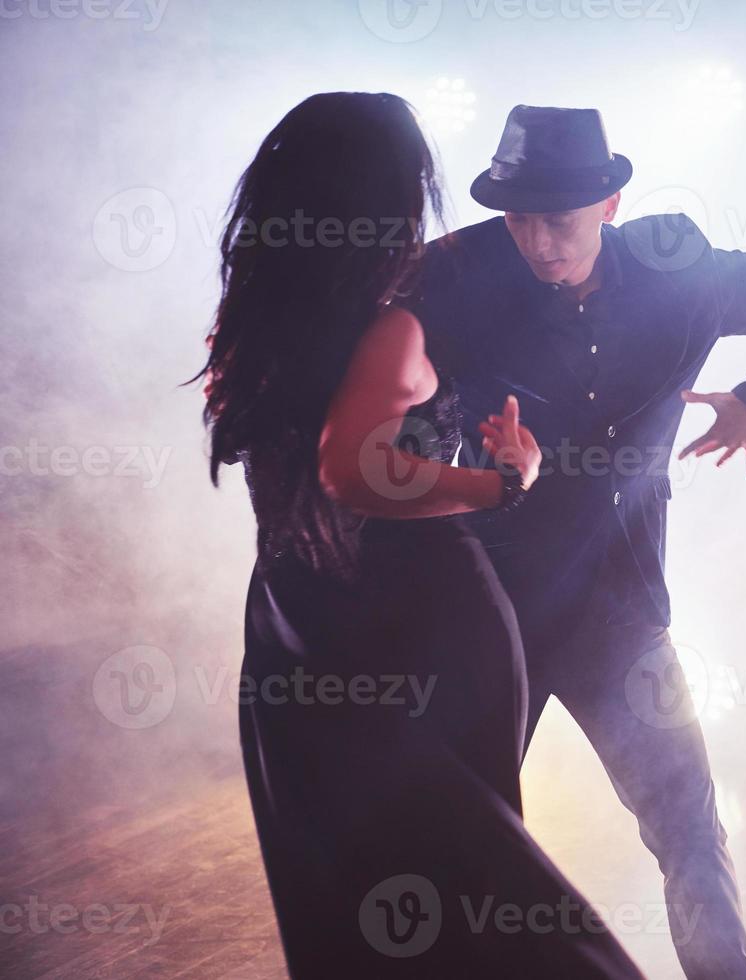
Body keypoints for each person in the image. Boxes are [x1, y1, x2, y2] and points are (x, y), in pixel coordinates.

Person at [197, 91, 643, 978]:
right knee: (488, 902)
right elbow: (350, 470)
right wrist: (502, 479)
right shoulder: (392, 323)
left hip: (295, 634)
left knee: (358, 894)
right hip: (421, 624)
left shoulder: (254, 328)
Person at [410, 104, 746, 979]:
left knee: (686, 819)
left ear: (611, 207)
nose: (539, 242)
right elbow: (349, 324)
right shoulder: (456, 274)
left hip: (618, 607)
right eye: (521, 218)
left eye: (561, 221)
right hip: (489, 600)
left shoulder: (677, 270)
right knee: (455, 830)